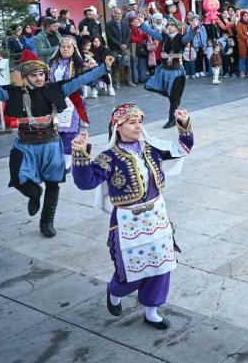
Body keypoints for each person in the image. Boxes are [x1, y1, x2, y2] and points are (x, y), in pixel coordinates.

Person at [70, 104, 192, 330]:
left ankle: (152, 311)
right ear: (118, 126)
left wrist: (183, 124)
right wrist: (80, 152)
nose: (138, 127)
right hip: (128, 221)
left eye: (140, 122)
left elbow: (183, 148)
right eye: (132, 122)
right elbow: (86, 182)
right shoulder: (109, 158)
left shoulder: (152, 148)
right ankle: (115, 291)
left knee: (162, 264)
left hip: (157, 216)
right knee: (131, 268)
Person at [0, 50, 113, 237]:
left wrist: (103, 67)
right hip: (25, 145)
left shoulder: (55, 89)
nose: (39, 78)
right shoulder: (12, 93)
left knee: (53, 183)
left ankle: (47, 221)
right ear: (25, 76)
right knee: (18, 179)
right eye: (33, 75)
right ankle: (34, 194)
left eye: (41, 74)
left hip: (51, 144)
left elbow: (80, 80)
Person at [140, 17, 196, 128]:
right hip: (164, 71)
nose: (169, 27)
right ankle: (176, 102)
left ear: (177, 28)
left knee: (173, 98)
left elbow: (189, 36)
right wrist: (142, 25)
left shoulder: (181, 38)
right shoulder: (165, 37)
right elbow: (152, 33)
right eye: (168, 25)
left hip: (176, 73)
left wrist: (193, 28)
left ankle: (172, 119)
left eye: (172, 25)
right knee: (163, 91)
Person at [48, 35, 93, 169]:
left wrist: (92, 70)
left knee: (68, 131)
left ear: (74, 48)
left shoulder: (80, 64)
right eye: (63, 46)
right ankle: (57, 158)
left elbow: (91, 81)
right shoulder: (51, 63)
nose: (65, 49)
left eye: (69, 46)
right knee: (54, 131)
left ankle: (68, 159)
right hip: (53, 100)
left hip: (72, 101)